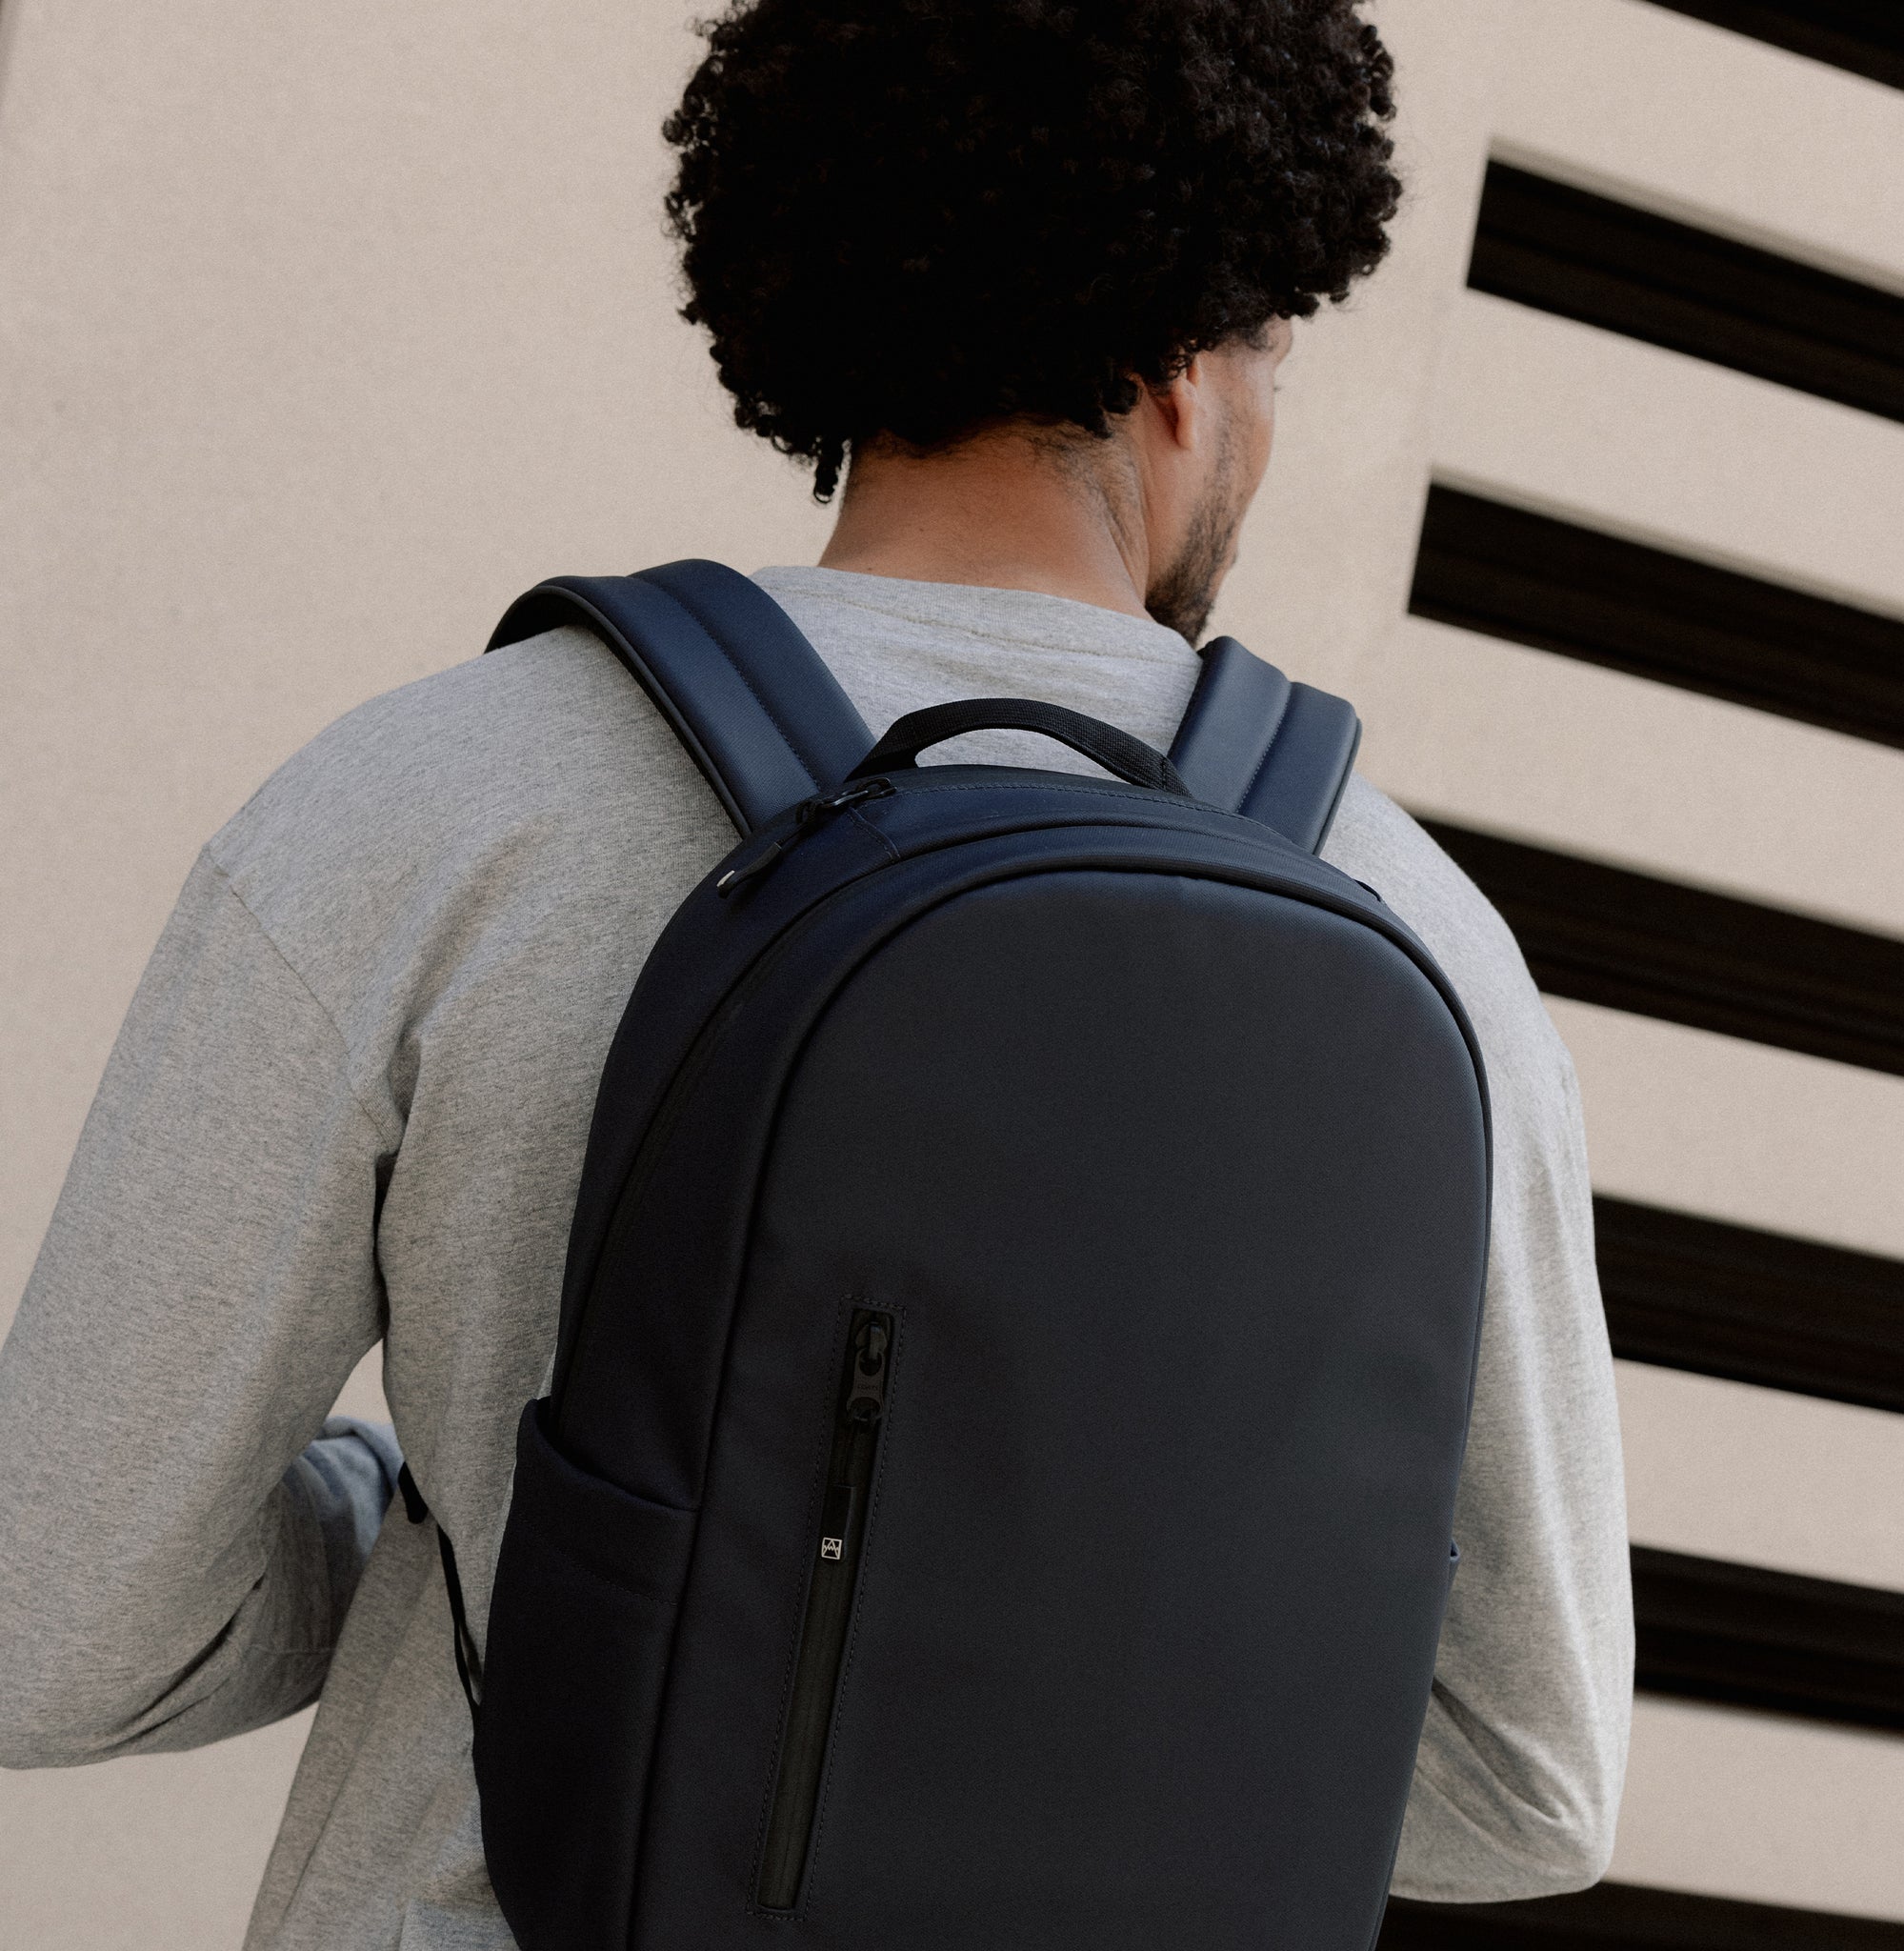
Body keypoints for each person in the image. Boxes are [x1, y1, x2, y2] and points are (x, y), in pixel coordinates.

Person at [0, 1, 1633, 1943]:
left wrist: (460, 1527)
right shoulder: (1421, 942)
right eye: (1274, 342)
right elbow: (1529, 1780)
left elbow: (55, 1626)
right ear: (1179, 372)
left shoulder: (428, 808)